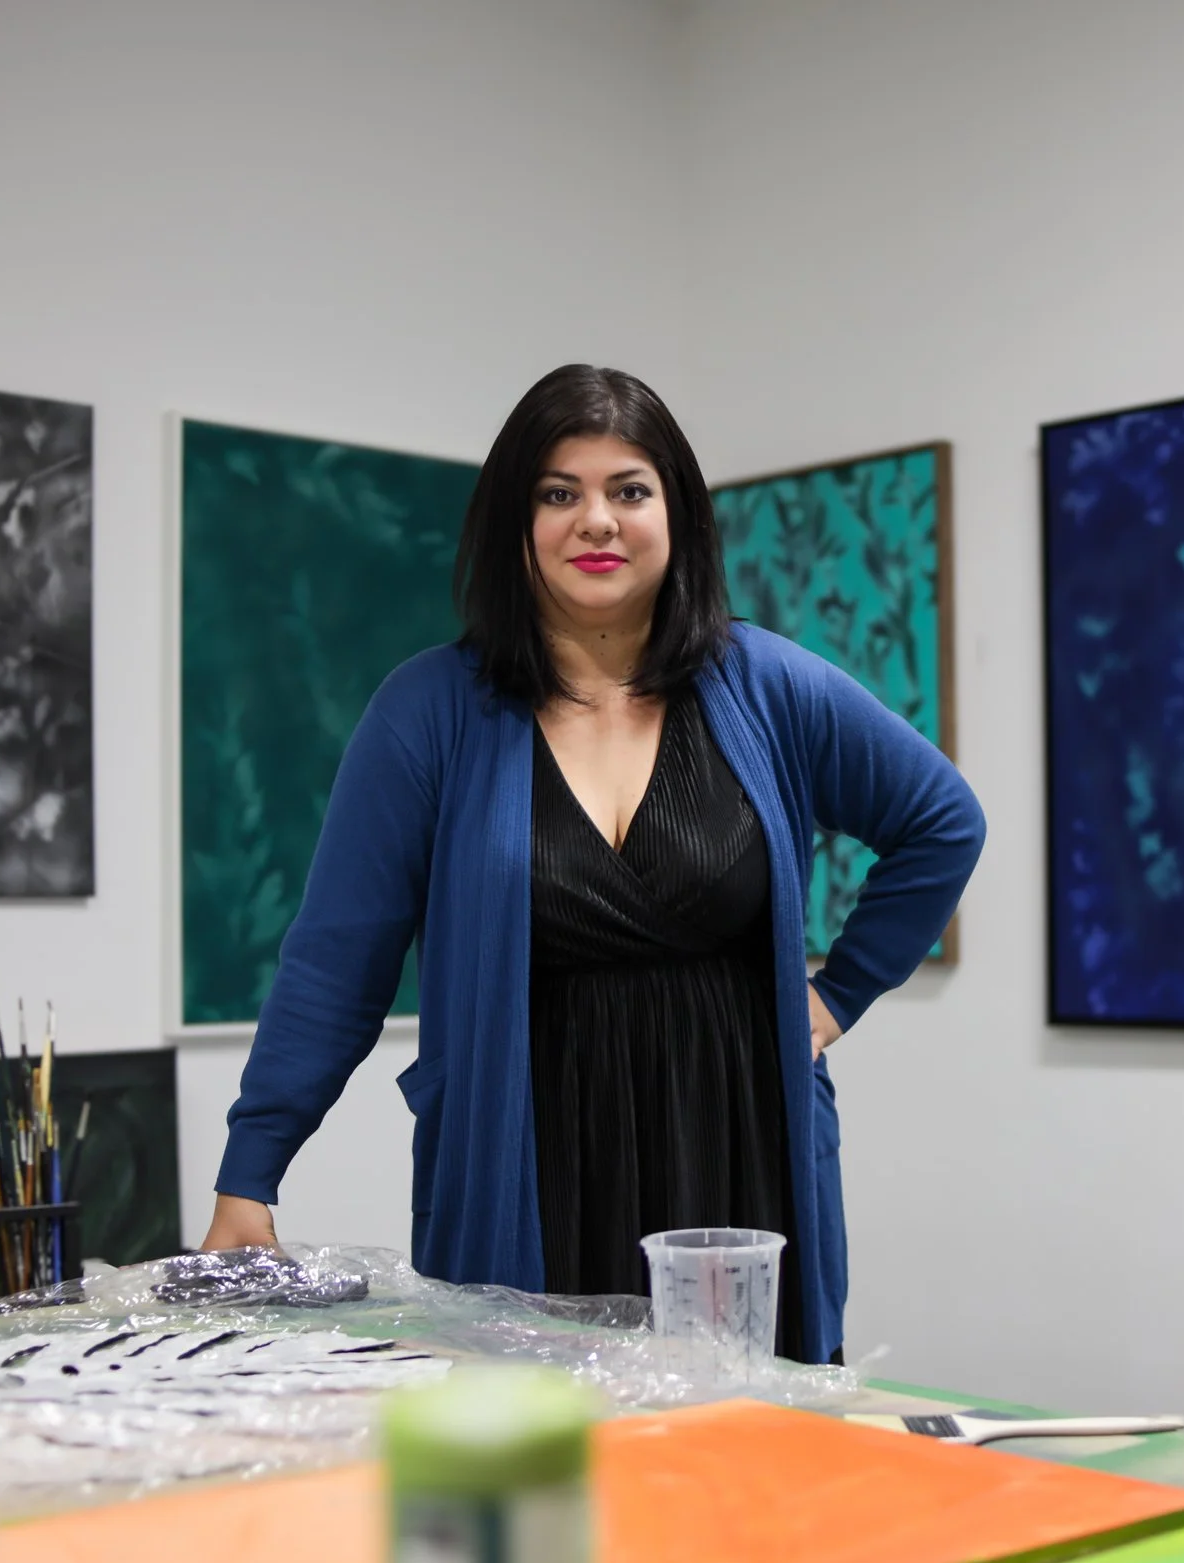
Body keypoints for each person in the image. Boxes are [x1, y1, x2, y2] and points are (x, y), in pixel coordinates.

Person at [202, 364, 983, 1364]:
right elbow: (334, 961)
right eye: (558, 493)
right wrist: (248, 1174)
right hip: (525, 1151)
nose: (596, 521)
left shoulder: (769, 683)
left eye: (629, 490)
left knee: (742, 1459)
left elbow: (941, 821)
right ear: (513, 523)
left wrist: (839, 994)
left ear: (677, 516)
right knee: (540, 1466)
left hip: (736, 1140)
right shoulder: (427, 711)